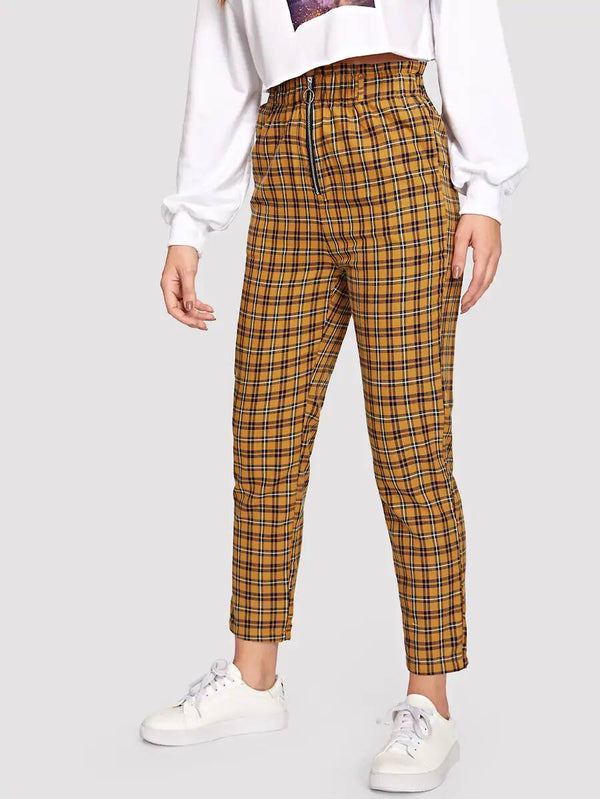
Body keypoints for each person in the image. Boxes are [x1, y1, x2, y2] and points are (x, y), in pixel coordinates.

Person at [140, 0, 527, 791]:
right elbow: (222, 58)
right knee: (264, 434)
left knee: (411, 448)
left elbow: (460, 11)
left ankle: (430, 702)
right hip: (285, 146)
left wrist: (484, 191)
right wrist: (190, 223)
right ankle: (254, 678)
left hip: (395, 142)